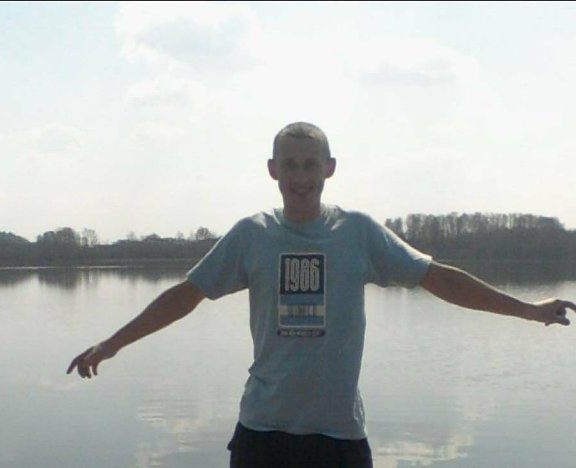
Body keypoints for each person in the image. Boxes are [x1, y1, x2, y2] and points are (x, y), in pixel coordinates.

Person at [67, 122, 575, 468]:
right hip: (262, 435)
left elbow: (438, 278)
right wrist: (112, 344)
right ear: (273, 170)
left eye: (310, 165)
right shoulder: (252, 235)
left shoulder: (358, 233)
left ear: (329, 168)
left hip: (339, 438)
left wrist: (528, 311)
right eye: (290, 165)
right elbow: (185, 296)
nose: (301, 177)